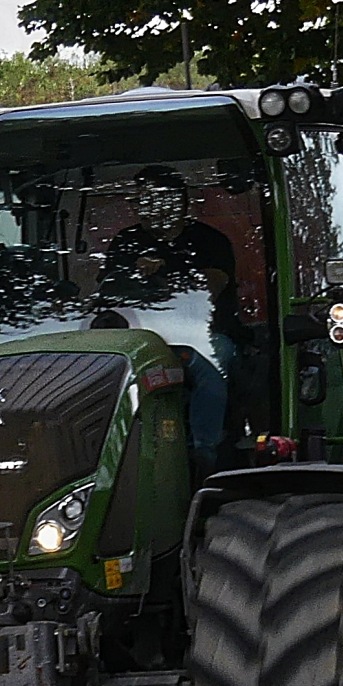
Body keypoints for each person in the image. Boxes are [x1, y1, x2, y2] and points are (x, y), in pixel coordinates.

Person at [96, 166, 245, 477]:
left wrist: (167, 267)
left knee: (218, 357)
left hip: (197, 336)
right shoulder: (126, 243)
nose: (152, 207)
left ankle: (204, 454)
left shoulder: (209, 241)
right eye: (145, 200)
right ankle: (109, 460)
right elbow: (107, 290)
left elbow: (214, 285)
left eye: (161, 199)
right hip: (140, 339)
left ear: (182, 202)